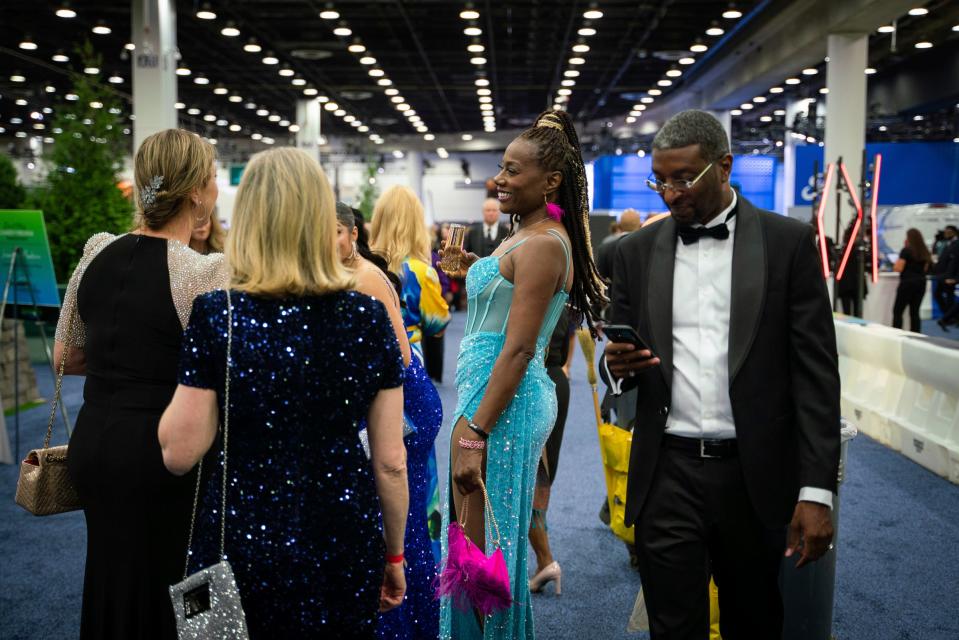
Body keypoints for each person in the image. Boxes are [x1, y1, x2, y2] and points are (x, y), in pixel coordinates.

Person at [601, 110, 840, 639]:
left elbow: (818, 377)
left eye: (684, 178)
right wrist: (615, 368)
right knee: (673, 625)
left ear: (725, 166)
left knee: (754, 621)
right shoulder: (634, 253)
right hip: (667, 471)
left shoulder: (788, 244)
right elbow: (618, 358)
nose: (669, 193)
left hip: (753, 475)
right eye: (659, 180)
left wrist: (817, 492)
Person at [157, 147, 409, 638]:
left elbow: (179, 453)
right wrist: (394, 553)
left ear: (247, 219)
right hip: (342, 533)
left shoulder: (217, 316)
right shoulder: (366, 318)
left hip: (239, 537)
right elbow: (390, 461)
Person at [52, 128, 228, 640]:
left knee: (109, 577)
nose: (216, 188)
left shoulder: (96, 252)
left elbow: (66, 355)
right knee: (179, 582)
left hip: (93, 443)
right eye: (214, 177)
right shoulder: (204, 271)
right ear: (196, 191)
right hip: (164, 450)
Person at [439, 109, 606, 639]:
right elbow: (504, 312)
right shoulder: (531, 235)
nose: (500, 180)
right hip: (490, 398)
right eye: (501, 169)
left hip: (502, 406)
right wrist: (474, 270)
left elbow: (516, 350)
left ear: (551, 180)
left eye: (513, 171)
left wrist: (475, 434)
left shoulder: (541, 243)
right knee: (477, 541)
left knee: (481, 546)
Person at [335, 202, 442, 640]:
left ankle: (406, 624)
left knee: (401, 519)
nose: (326, 242)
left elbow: (395, 358)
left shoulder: (365, 278)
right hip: (391, 403)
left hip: (405, 409)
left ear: (353, 234)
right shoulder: (345, 273)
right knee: (401, 515)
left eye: (335, 233)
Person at [371, 185, 451, 564]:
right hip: (410, 371)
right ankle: (419, 560)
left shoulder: (365, 267)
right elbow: (438, 322)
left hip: (371, 370)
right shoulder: (421, 270)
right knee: (418, 474)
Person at [528, 305, 572, 595]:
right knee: (542, 478)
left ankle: (545, 560)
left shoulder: (533, 285)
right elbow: (569, 337)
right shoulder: (564, 288)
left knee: (529, 478)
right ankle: (544, 560)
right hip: (556, 379)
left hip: (535, 381)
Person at [892, 227, 932, 332]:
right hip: (921, 283)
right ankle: (916, 334)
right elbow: (926, 269)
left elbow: (898, 268)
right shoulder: (925, 252)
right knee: (915, 312)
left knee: (898, 311)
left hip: (907, 283)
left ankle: (896, 333)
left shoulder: (906, 250)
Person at [595, 208, 642, 282]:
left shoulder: (605, 249)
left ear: (619, 226)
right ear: (640, 225)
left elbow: (600, 280)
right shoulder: (648, 248)